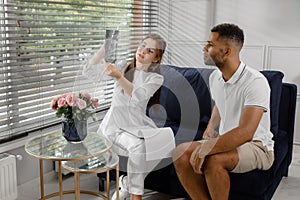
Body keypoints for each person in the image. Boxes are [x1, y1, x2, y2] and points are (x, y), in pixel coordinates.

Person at [172, 23, 274, 200]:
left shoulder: (256, 81)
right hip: (226, 140)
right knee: (180, 153)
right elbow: (221, 103)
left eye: (210, 44)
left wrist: (207, 149)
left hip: (257, 146)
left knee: (214, 159)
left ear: (227, 52)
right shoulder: (215, 77)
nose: (204, 48)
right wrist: (211, 126)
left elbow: (246, 132)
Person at [87, 33, 170, 200]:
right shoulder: (124, 66)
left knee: (165, 141)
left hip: (137, 123)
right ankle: (135, 195)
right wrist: (105, 48)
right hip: (115, 125)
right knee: (138, 147)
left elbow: (137, 95)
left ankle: (126, 184)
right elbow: (89, 71)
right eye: (142, 45)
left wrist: (118, 76)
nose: (142, 51)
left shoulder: (156, 78)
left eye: (149, 50)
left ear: (156, 58)